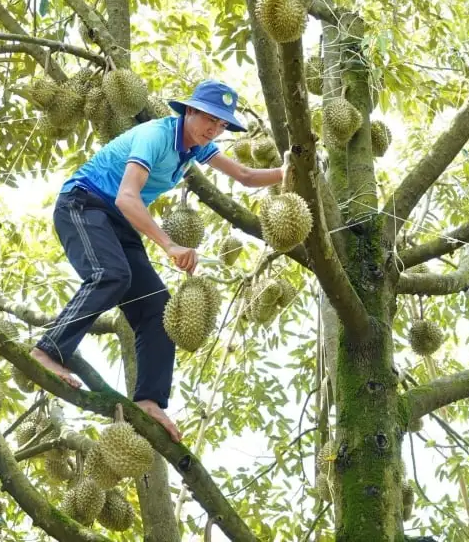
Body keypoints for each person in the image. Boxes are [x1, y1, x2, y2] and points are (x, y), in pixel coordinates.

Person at [30, 79, 285, 441]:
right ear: (190, 110)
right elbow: (126, 198)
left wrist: (292, 170)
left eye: (222, 124)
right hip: (83, 204)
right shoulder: (156, 136)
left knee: (156, 308)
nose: (215, 129)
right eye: (210, 119)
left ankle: (150, 399)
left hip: (118, 222)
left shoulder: (196, 148)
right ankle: (47, 351)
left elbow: (244, 176)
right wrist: (170, 246)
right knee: (111, 274)